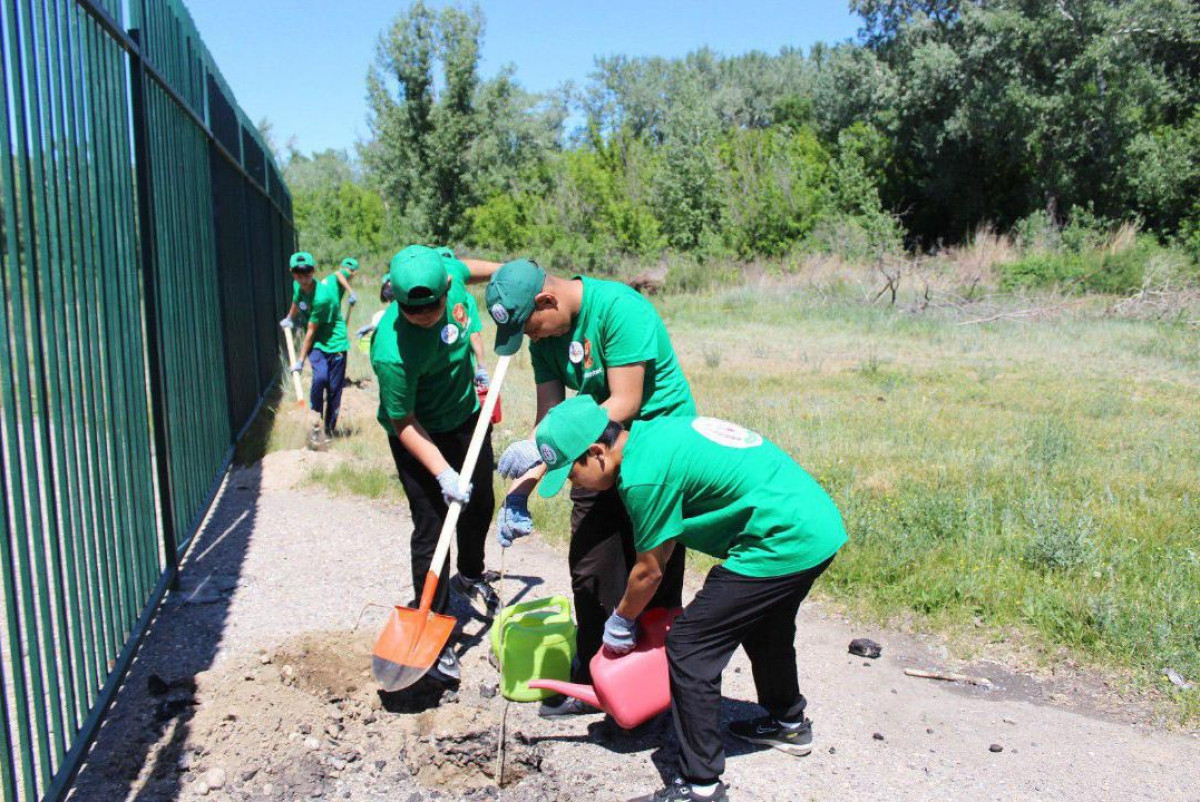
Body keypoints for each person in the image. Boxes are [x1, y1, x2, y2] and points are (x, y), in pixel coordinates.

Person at [533, 396, 847, 802]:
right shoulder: (651, 436)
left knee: (689, 645)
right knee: (764, 623)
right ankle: (787, 722)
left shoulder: (643, 477)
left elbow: (650, 570)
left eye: (572, 475)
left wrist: (621, 620)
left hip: (782, 538)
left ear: (596, 453)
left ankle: (701, 786)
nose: (574, 486)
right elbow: (661, 550)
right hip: (812, 524)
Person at [484, 259, 695, 716]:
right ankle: (596, 680)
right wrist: (521, 490)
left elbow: (625, 401)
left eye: (531, 327)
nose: (532, 339)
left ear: (548, 300)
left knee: (651, 568)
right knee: (591, 569)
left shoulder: (620, 309)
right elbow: (549, 423)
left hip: (654, 448)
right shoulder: (546, 336)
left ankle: (658, 686)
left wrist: (545, 449)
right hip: (593, 450)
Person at [370, 245, 503, 683]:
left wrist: (518, 279)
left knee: (481, 501)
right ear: (396, 299)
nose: (425, 317)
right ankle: (434, 628)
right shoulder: (391, 348)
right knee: (432, 527)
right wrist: (442, 471)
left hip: (465, 414)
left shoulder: (452, 276)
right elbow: (402, 420)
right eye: (413, 311)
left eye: (433, 309)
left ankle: (468, 575)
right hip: (417, 431)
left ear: (447, 288)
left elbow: (478, 269)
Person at [287, 251, 349, 445]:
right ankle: (316, 422)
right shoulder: (298, 286)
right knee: (320, 377)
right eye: (298, 273)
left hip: (334, 343)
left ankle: (329, 430)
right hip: (317, 344)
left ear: (313, 271)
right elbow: (297, 301)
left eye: (307, 272)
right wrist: (290, 318)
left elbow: (311, 331)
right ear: (292, 273)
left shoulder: (322, 297)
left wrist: (299, 361)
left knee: (333, 389)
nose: (303, 277)